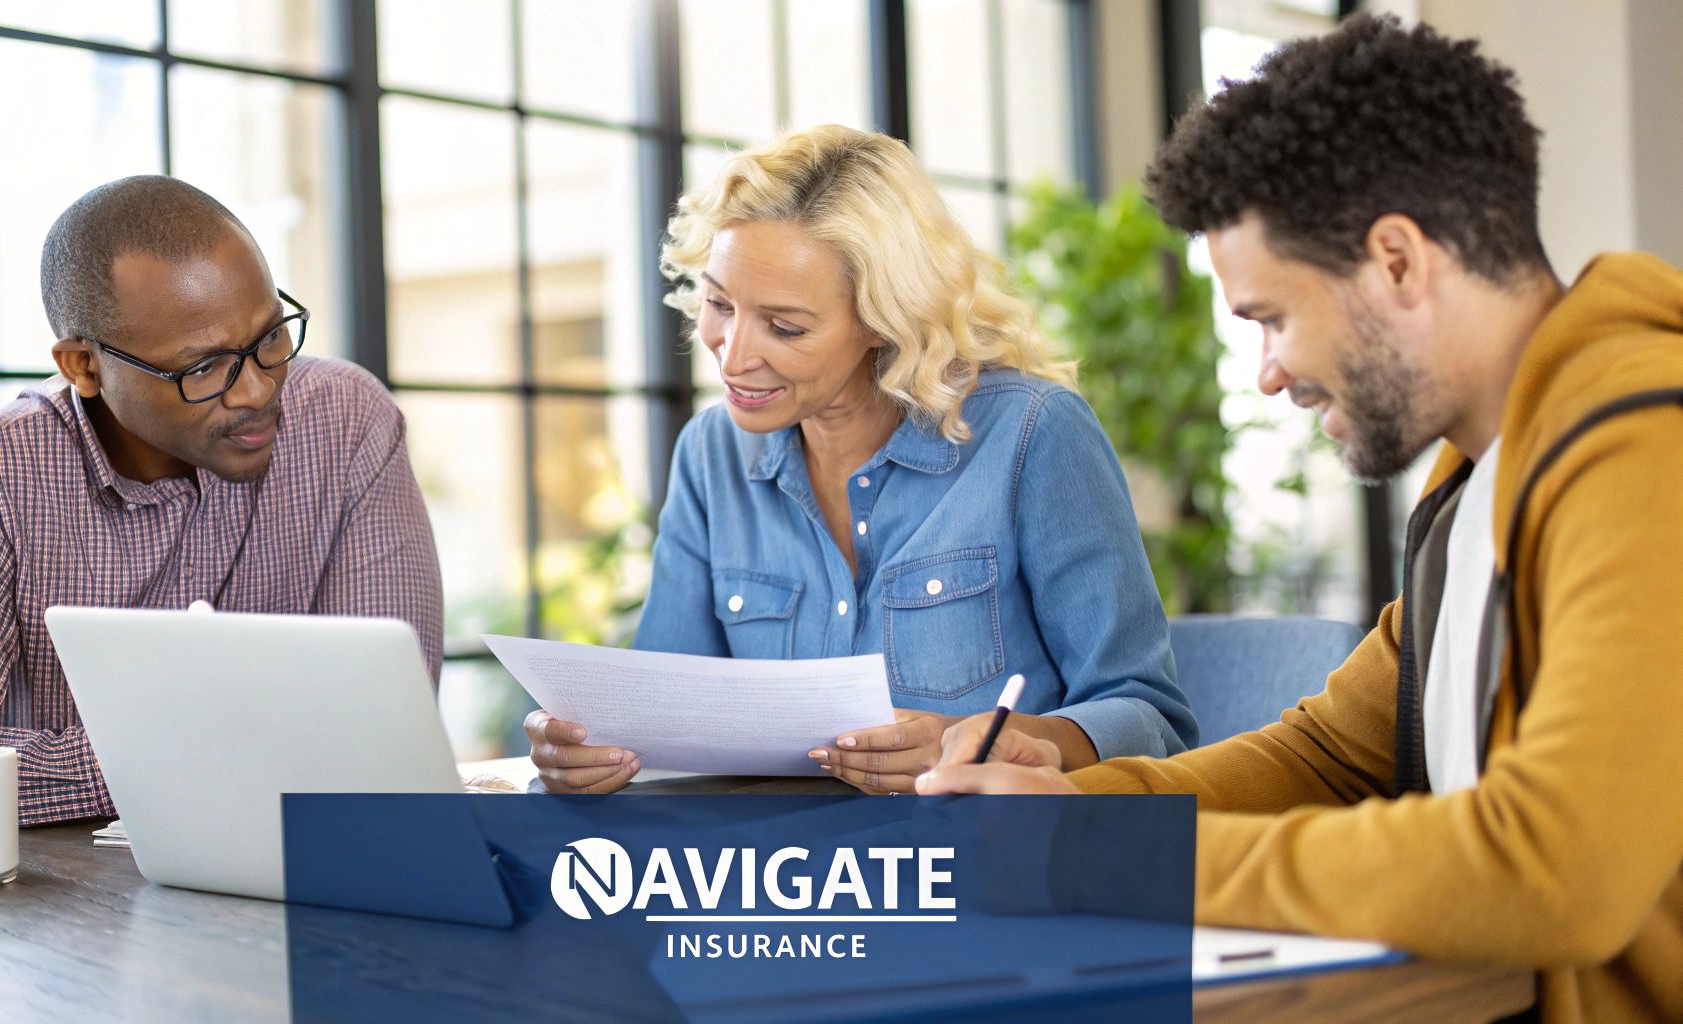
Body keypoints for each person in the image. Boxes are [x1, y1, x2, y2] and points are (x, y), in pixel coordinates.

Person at [917, 15, 1683, 1022]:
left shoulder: (1640, 449)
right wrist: (1066, 809)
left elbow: (1554, 864)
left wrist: (1104, 857)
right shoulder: (1477, 481)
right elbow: (1327, 755)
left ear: (1396, 260)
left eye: (1270, 317)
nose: (1268, 374)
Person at [525, 125, 1196, 795]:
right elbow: (661, 719)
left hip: (975, 865)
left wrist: (1012, 741)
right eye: (720, 304)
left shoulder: (1031, 434)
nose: (731, 356)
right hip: (777, 871)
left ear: (883, 317)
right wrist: (597, 750)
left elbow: (1149, 717)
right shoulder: (711, 456)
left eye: (785, 327)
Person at [0, 176, 444, 841]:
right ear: (82, 365)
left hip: (318, 869)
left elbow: (390, 726)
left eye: (270, 339)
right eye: (203, 368)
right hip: (58, 916)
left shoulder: (347, 422)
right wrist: (139, 765)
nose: (256, 389)